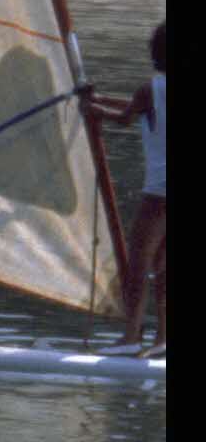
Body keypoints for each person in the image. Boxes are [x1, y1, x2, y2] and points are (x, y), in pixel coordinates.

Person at [83, 21, 165, 353]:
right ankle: (163, 339)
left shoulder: (151, 89)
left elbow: (126, 118)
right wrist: (100, 98)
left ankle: (131, 337)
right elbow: (138, 109)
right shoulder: (149, 94)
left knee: (138, 264)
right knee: (163, 266)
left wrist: (92, 110)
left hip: (160, 192)